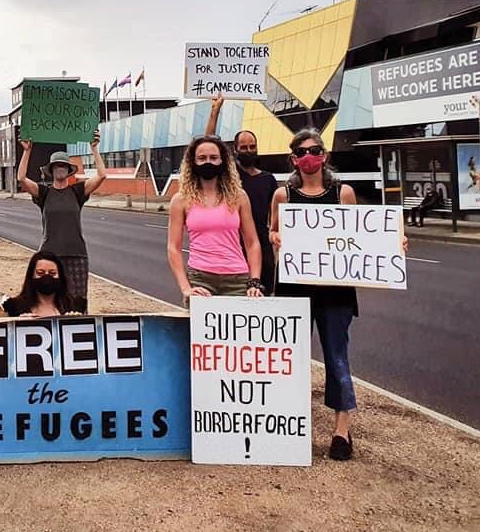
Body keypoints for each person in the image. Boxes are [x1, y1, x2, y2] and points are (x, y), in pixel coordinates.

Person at [269, 129, 408, 461]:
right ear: (293, 159)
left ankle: (342, 431)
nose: (308, 156)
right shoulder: (283, 195)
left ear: (324, 155)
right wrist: (275, 238)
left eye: (314, 150)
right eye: (301, 152)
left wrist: (393, 245)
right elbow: (272, 228)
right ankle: (288, 424)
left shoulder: (342, 194)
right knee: (291, 358)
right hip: (294, 290)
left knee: (337, 358)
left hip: (336, 293)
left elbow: (359, 237)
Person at [16, 131, 107, 313]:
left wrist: (94, 149)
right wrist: (27, 151)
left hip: (77, 256)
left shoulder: (77, 192)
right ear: (51, 170)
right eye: (56, 166)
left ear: (68, 170)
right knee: (49, 302)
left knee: (77, 304)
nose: (60, 169)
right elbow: (21, 179)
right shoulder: (44, 193)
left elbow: (102, 175)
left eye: (63, 166)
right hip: (50, 257)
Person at [167, 135, 264, 303]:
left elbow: (252, 242)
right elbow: (173, 247)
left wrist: (254, 281)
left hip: (237, 279)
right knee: (201, 330)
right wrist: (185, 287)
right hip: (200, 278)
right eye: (202, 158)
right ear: (193, 162)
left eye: (213, 158)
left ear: (222, 161)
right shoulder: (181, 200)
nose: (208, 162)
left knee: (236, 330)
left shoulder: (239, 197)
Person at [205, 93, 279, 294]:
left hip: (261, 248)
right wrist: (215, 111)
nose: (248, 150)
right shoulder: (230, 176)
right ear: (235, 150)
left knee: (262, 298)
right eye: (243, 147)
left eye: (252, 147)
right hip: (232, 246)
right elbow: (208, 143)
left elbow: (276, 220)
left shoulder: (268, 179)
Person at [2, 251, 79, 318]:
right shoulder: (14, 307)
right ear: (31, 275)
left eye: (52, 273)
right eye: (40, 273)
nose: (47, 277)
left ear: (60, 276)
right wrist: (17, 321)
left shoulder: (74, 305)